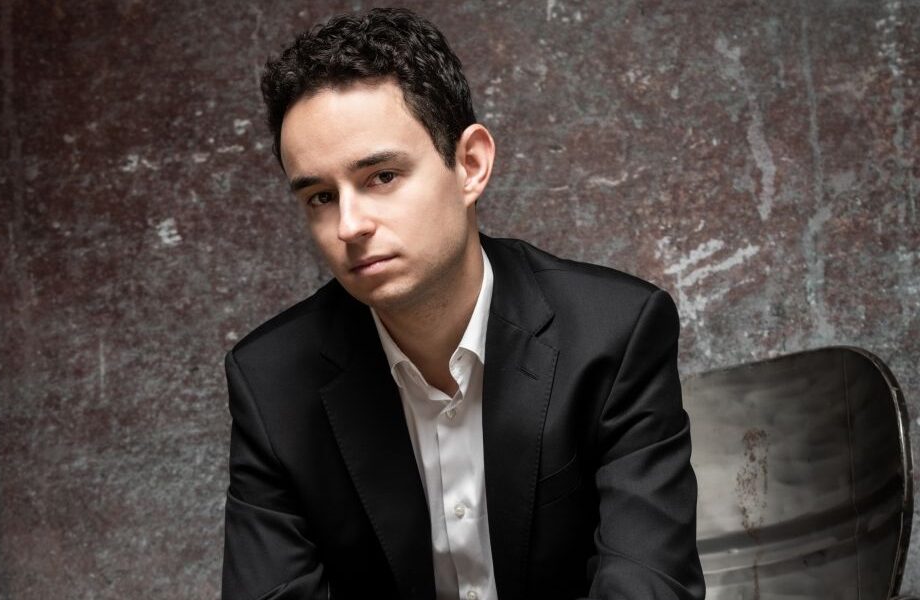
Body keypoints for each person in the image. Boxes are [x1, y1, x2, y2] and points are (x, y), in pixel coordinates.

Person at [222, 7, 704, 600]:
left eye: (381, 176)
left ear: (471, 165)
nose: (349, 225)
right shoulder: (271, 384)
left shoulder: (613, 335)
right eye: (321, 196)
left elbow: (649, 585)